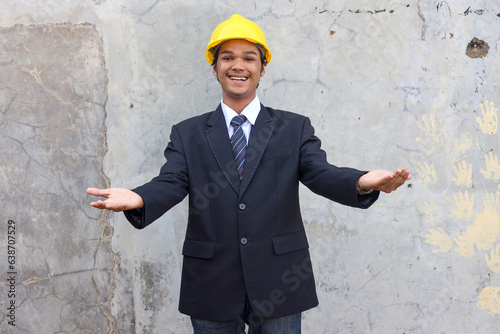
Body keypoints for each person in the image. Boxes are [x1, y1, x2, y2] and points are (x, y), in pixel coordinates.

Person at [87, 14, 411, 334]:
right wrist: (139, 197)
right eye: (227, 57)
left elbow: (320, 172)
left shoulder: (294, 128)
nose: (238, 65)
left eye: (249, 58)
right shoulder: (188, 133)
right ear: (215, 69)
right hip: (212, 281)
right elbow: (172, 180)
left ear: (262, 69)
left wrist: (361, 181)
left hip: (279, 279)